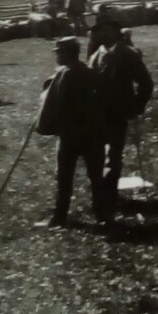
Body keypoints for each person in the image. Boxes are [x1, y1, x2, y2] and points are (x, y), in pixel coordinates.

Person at [36, 37, 106, 228]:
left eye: (59, 52)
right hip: (93, 134)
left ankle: (59, 218)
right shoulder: (91, 72)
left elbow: (56, 104)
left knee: (64, 177)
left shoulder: (64, 75)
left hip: (70, 135)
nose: (57, 56)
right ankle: (102, 215)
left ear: (68, 53)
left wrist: (45, 124)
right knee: (96, 176)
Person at [87, 25, 155, 222]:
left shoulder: (128, 54)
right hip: (96, 114)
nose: (95, 34)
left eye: (99, 30)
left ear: (110, 32)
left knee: (113, 156)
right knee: (97, 156)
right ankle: (101, 197)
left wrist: (137, 106)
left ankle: (109, 197)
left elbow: (146, 83)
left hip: (118, 113)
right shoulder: (95, 55)